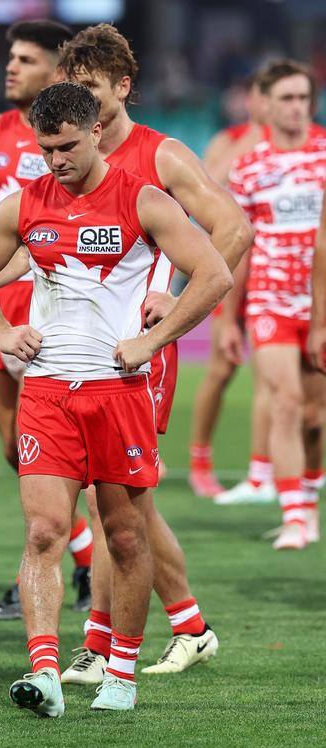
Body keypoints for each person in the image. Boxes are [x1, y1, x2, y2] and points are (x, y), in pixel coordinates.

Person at [0, 81, 231, 716]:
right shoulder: (23, 204)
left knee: (128, 536)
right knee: (46, 529)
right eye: (46, 148)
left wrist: (154, 339)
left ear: (97, 133)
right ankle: (46, 672)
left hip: (119, 390)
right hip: (48, 390)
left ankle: (122, 674)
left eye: (67, 147)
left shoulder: (145, 201)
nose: (56, 161)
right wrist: (1, 329)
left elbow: (214, 272)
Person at [56, 23, 252, 681]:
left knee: (118, 502)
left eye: (90, 88)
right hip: (82, 352)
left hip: (139, 351)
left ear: (123, 86)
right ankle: (170, 630)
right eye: (71, 88)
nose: (79, 100)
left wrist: (174, 297)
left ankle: (118, 642)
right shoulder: (72, 158)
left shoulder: (159, 155)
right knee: (117, 503)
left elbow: (233, 229)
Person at [0, 19, 94, 622]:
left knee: (63, 451)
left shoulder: (80, 134)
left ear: (57, 70)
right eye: (11, 56)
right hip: (4, 300)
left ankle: (79, 566)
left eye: (25, 59)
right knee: (14, 450)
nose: (11, 67)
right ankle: (76, 558)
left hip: (54, 306)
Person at [229, 59, 326, 550]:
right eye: (286, 98)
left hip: (321, 302)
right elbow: (239, 246)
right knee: (285, 402)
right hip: (269, 298)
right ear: (266, 104)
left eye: (303, 98)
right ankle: (294, 516)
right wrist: (229, 317)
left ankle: (306, 492)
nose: (296, 108)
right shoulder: (248, 168)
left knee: (315, 417)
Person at [190, 75, 271, 499]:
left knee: (278, 373)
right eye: (260, 94)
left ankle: (270, 468)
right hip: (235, 270)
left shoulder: (306, 144)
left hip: (280, 275)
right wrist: (255, 137)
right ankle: (200, 461)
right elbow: (208, 184)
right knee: (222, 368)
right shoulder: (231, 139)